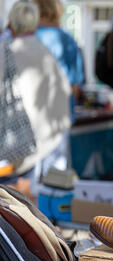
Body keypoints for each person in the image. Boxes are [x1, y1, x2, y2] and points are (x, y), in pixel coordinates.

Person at [0, 1, 71, 198]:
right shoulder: (44, 51)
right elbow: (64, 92)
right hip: (40, 140)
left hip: (13, 142)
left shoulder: (6, 50)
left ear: (12, 23)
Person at [32, 0, 85, 116]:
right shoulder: (67, 40)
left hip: (32, 112)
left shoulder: (25, 39)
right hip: (59, 113)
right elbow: (75, 85)